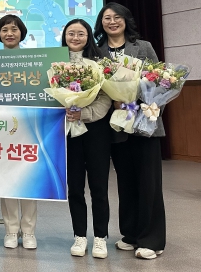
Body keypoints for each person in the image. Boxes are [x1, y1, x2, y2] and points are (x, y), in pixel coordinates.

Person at [93, 2, 164, 260]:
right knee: (125, 181)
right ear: (101, 23)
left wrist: (139, 104)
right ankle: (131, 234)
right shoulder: (97, 52)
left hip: (144, 122)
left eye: (117, 17)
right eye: (106, 18)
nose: (112, 22)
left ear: (126, 20)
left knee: (149, 182)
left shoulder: (143, 47)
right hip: (114, 125)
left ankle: (151, 240)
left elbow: (160, 82)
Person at [61, 19, 112, 259]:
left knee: (99, 187)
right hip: (69, 132)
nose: (75, 37)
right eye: (71, 33)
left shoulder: (100, 63)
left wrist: (85, 113)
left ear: (88, 36)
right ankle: (79, 236)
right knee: (75, 188)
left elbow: (106, 97)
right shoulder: (55, 63)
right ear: (64, 36)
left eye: (80, 33)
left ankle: (100, 237)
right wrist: (66, 113)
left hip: (96, 131)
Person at [0, 14, 38, 249]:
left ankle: (29, 231)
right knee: (8, 178)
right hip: (2, 128)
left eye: (14, 29)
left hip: (30, 127)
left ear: (22, 32)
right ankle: (11, 230)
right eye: (4, 30)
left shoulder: (35, 61)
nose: (9, 33)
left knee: (29, 178)